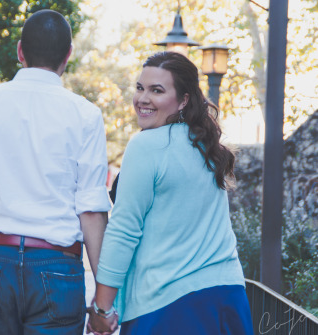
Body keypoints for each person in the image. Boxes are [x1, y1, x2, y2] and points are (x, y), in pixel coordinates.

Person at [0, 9, 112, 335]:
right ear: (68, 55)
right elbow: (91, 209)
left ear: (20, 51)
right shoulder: (86, 116)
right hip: (57, 264)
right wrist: (102, 302)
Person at [87, 51, 254, 335]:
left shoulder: (146, 146)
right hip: (228, 300)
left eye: (157, 90)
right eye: (140, 88)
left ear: (184, 99)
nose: (142, 98)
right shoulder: (206, 146)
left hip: (170, 307)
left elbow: (124, 230)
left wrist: (102, 308)